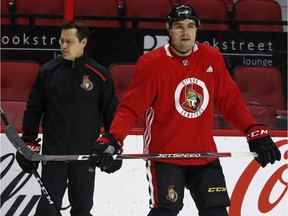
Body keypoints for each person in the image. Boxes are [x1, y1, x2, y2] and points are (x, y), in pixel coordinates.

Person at [88, 5, 281, 216]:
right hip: (165, 156)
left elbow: (231, 102)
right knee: (166, 210)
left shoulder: (212, 57)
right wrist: (113, 139)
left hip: (204, 156)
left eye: (190, 26)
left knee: (216, 212)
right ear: (169, 30)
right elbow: (130, 109)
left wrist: (252, 129)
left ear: (197, 29)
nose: (185, 32)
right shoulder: (152, 63)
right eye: (179, 27)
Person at [16, 20, 120, 216]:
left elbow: (111, 114)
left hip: (85, 157)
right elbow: (33, 109)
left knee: (82, 210)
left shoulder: (99, 75)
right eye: (62, 41)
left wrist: (113, 144)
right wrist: (28, 141)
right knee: (47, 211)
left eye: (70, 42)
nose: (64, 46)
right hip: (53, 155)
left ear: (83, 42)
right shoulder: (47, 71)